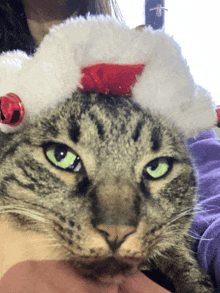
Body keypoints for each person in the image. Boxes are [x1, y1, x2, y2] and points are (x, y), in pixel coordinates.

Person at [0, 1, 219, 292]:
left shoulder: (147, 67)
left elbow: (210, 189)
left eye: (155, 166)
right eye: (63, 156)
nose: (116, 224)